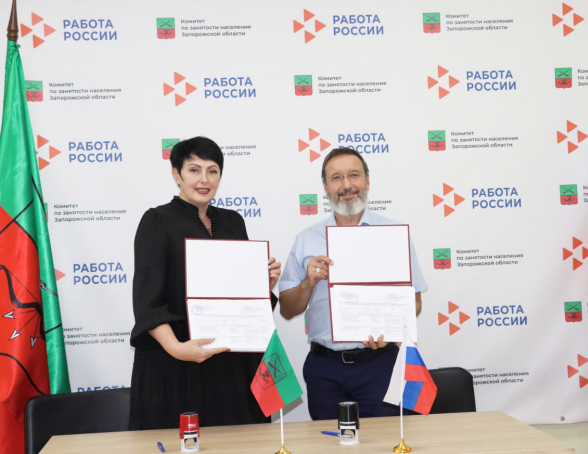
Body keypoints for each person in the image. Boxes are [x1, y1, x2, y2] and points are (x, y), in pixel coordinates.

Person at [128, 137, 281, 430]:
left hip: (231, 363)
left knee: (240, 443)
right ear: (177, 174)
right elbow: (148, 300)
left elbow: (238, 294)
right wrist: (178, 348)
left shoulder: (233, 221)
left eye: (212, 171)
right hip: (176, 362)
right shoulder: (157, 220)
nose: (204, 179)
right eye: (194, 170)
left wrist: (263, 286)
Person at [278, 147, 427, 420]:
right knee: (328, 441)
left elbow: (415, 302)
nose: (346, 185)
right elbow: (287, 310)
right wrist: (308, 283)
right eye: (336, 177)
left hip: (380, 365)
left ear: (367, 180)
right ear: (325, 186)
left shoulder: (393, 235)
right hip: (325, 369)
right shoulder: (306, 239)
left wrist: (389, 328)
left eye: (354, 175)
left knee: (383, 440)